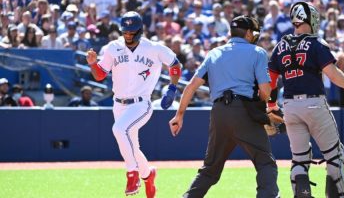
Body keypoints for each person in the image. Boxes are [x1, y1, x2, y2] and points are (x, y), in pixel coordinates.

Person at [267, 2, 344, 198]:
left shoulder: (280, 46)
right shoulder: (316, 43)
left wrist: (271, 106)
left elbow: (271, 81)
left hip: (289, 106)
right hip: (314, 104)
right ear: (308, 19)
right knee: (334, 156)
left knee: (299, 160)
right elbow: (333, 75)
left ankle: (301, 194)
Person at [169, 15, 279, 198]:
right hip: (244, 111)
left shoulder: (213, 53)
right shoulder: (257, 52)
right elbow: (266, 92)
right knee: (265, 163)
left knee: (210, 170)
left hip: (219, 113)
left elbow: (190, 87)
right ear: (250, 33)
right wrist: (262, 109)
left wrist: (179, 115)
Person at [86, 11, 182, 197]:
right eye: (125, 32)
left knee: (119, 130)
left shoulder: (153, 48)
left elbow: (175, 64)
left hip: (141, 104)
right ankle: (148, 174)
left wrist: (172, 89)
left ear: (140, 30)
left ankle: (132, 174)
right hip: (118, 103)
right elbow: (100, 75)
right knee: (132, 147)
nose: (128, 35)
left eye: (132, 32)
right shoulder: (113, 47)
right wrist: (92, 64)